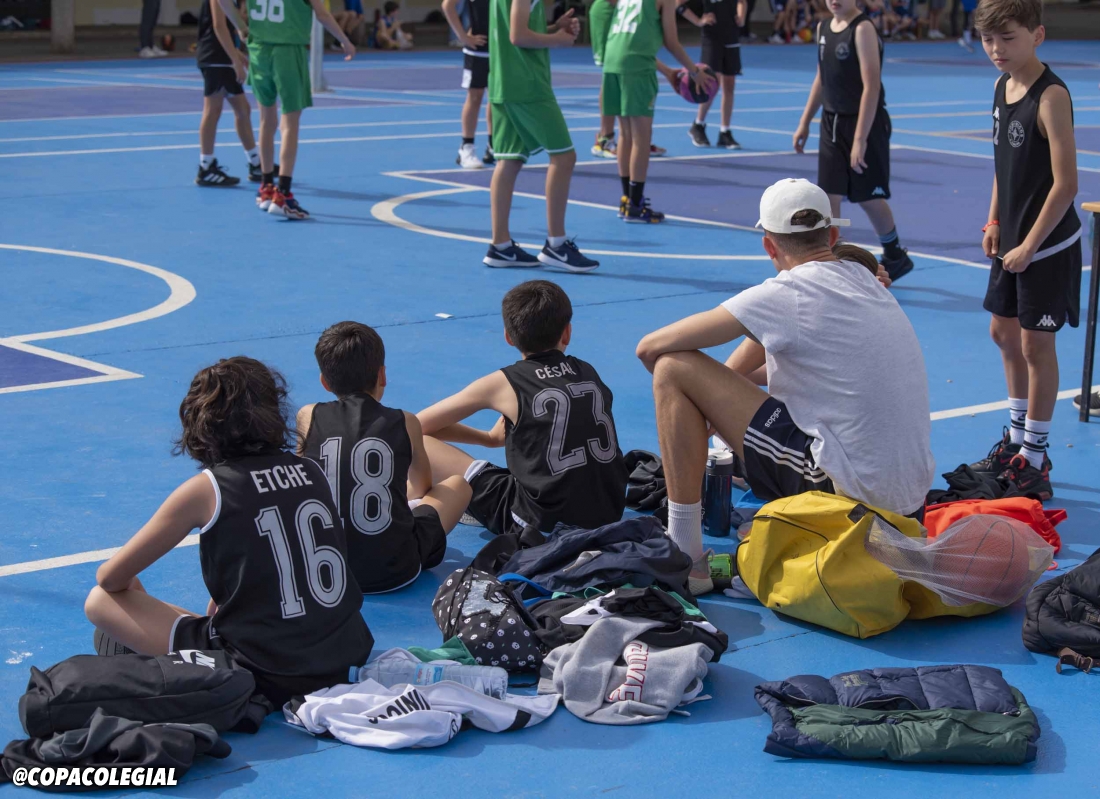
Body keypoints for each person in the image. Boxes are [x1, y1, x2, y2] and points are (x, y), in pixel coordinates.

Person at [635, 178, 934, 595]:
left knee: (672, 369)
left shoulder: (785, 295)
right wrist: (711, 404)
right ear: (833, 236)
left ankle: (686, 556)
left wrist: (698, 415)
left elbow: (650, 349)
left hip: (851, 505)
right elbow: (760, 352)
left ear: (769, 246)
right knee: (732, 379)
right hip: (909, 512)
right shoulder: (866, 279)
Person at [85, 357, 374, 707]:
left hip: (269, 671)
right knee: (223, 614)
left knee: (101, 600)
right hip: (347, 653)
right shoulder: (311, 470)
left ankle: (158, 652)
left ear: (200, 423)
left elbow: (110, 578)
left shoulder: (206, 490)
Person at [969, 0, 1080, 501]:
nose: (997, 49)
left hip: (1047, 243)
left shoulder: (1051, 95)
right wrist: (994, 220)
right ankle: (1015, 440)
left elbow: (1066, 184)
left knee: (1036, 345)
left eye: (1008, 38)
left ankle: (1034, 459)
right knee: (1002, 333)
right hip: (1012, 237)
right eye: (988, 39)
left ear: (1037, 35)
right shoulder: (1002, 85)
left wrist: (1031, 244)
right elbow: (1002, 165)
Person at [417, 280, 629, 537]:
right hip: (609, 512)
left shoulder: (502, 383)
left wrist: (487, 438)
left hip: (540, 524)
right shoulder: (587, 370)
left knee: (416, 441)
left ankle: (421, 508)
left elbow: (416, 425)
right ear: (567, 333)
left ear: (508, 337)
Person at [297, 322, 473, 594]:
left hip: (323, 571)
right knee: (457, 485)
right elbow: (422, 486)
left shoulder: (307, 416)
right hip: (395, 571)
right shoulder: (406, 421)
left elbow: (303, 485)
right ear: (382, 375)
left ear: (324, 381)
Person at [793, 0, 915, 281]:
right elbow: (821, 78)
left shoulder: (862, 29)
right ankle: (834, 261)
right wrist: (805, 121)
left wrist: (860, 138)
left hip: (864, 122)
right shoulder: (823, 28)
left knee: (868, 197)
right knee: (829, 194)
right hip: (832, 122)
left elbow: (871, 86)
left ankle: (894, 253)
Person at [482, 1, 599, 272]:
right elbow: (518, 36)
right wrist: (558, 39)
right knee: (564, 157)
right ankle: (556, 244)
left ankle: (500, 246)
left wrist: (552, 27)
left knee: (509, 160)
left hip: (502, 82)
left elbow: (515, 27)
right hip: (527, 84)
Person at [219, 0, 356, 221]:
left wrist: (241, 27)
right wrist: (344, 40)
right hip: (288, 50)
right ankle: (283, 194)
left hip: (259, 50)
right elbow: (322, 14)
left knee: (266, 120)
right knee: (289, 123)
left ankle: (266, 188)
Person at [603, 0, 710, 223]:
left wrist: (667, 71)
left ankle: (627, 200)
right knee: (641, 138)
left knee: (625, 134)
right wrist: (693, 71)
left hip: (612, 61)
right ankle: (636, 205)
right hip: (637, 68)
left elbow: (633, 40)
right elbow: (671, 42)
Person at [590, 0, 668, 160]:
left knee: (626, 63)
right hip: (608, 12)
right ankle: (606, 138)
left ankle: (638, 138)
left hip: (628, 10)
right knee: (613, 70)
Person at [194, 0, 261, 187]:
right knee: (213, 110)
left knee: (242, 109)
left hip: (222, 55)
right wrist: (235, 61)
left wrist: (237, 54)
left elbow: (229, 26)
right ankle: (206, 167)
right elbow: (218, 25)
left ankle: (256, 164)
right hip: (215, 56)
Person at [681, 0, 746, 150]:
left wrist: (741, 17)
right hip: (712, 37)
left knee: (729, 85)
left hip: (731, 35)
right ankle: (698, 124)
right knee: (711, 82)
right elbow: (678, 4)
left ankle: (725, 132)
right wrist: (698, 21)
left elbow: (742, 1)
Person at [443, 0, 495, 168]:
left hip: (500, 49)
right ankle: (466, 148)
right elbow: (447, 5)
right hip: (478, 49)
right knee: (475, 97)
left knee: (496, 98)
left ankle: (494, 146)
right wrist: (463, 37)